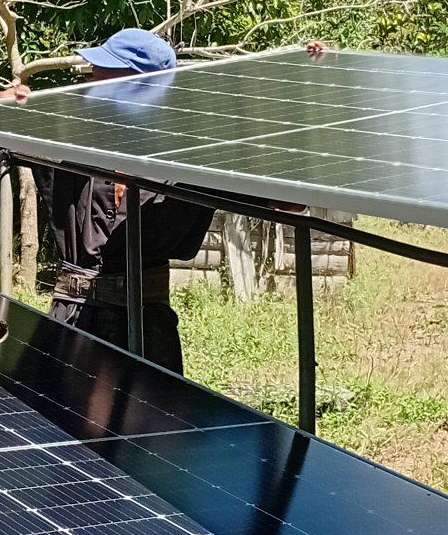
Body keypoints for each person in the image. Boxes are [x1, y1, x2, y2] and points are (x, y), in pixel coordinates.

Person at [42, 30, 330, 372]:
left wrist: (312, 90)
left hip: (148, 333)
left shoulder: (197, 157)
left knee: (150, 422)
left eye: (105, 70)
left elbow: (290, 203)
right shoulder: (64, 132)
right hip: (71, 319)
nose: (91, 77)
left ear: (143, 86)